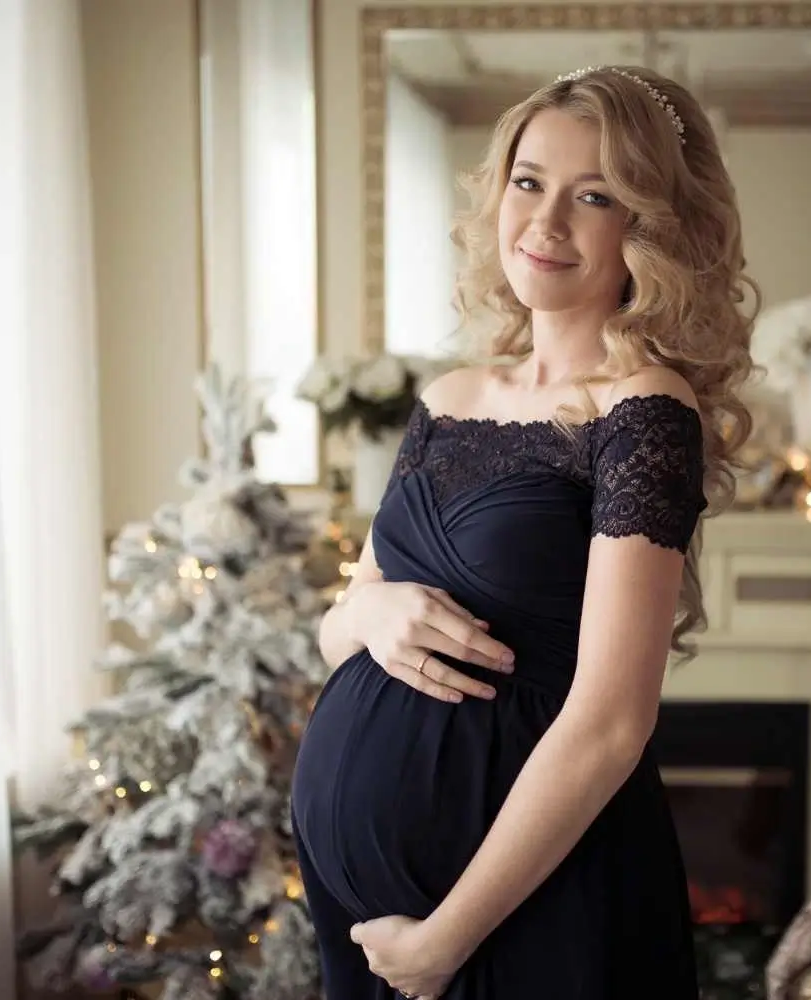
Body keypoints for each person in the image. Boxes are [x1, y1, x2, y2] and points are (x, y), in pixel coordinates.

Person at [291, 64, 756, 999]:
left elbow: (613, 721)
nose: (546, 223)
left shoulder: (642, 411)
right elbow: (333, 631)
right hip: (372, 915)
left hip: (519, 914)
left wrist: (445, 940)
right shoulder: (449, 397)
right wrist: (374, 615)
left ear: (649, 230)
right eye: (529, 181)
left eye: (596, 197)